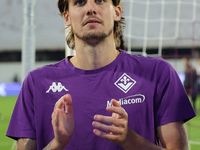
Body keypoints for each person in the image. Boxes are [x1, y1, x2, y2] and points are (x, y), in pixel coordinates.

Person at [6, 0, 195, 150]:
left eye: (100, 0)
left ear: (117, 12)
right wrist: (57, 143)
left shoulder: (158, 73)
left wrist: (131, 141)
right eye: (79, 2)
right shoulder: (37, 82)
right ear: (67, 18)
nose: (90, 9)